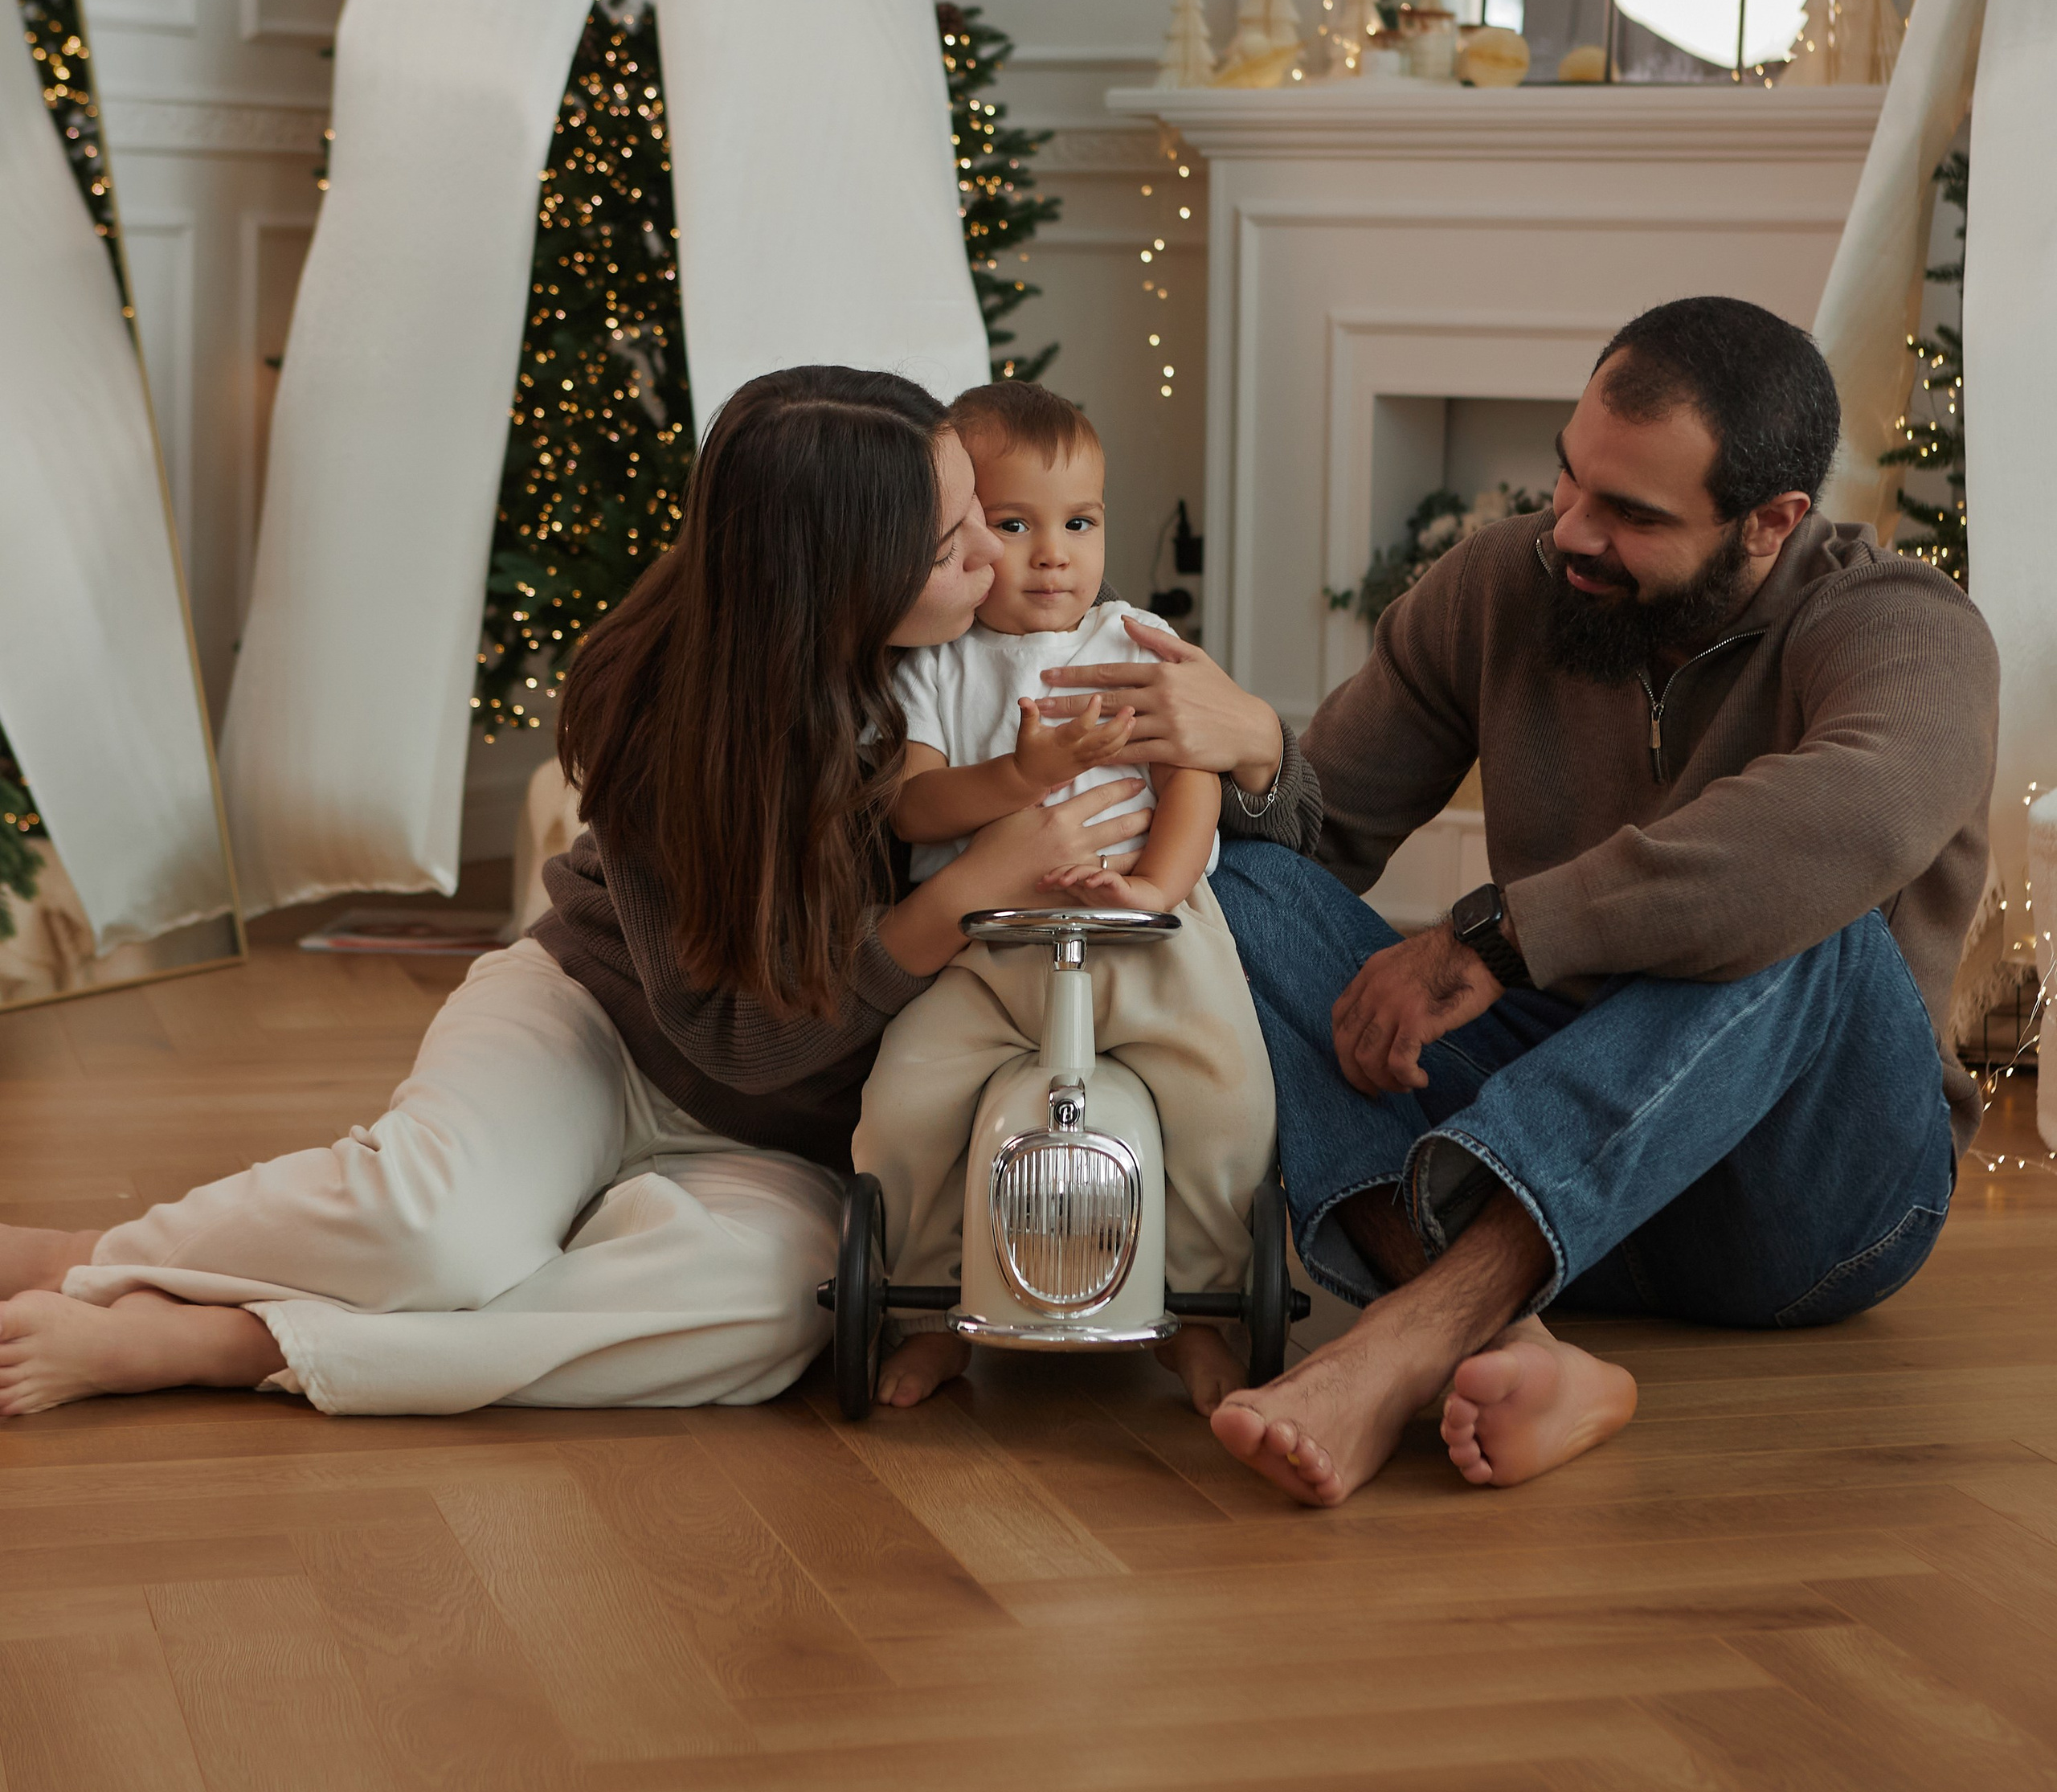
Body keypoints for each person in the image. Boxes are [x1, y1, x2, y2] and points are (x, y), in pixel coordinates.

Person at [0, 366, 1158, 1419]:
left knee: (772, 1313)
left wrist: (1254, 744)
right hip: (594, 1021)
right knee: (433, 1224)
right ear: (841, 580)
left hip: (784, 1139)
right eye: (954, 540)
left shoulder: (993, 655)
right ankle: (91, 1259)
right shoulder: (670, 716)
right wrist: (963, 896)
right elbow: (738, 1035)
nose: (999, 559)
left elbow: (1187, 763)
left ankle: (230, 1338)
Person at [1032, 299, 1998, 1509]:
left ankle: (1415, 1335)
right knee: (1245, 882)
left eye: (1633, 515)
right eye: (1568, 478)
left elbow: (1847, 823)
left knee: (1810, 907)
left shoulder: (1905, 629)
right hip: (1552, 1158)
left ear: (1772, 523)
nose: (1571, 532)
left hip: (1800, 1208)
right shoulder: (1507, 581)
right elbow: (1322, 843)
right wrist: (1259, 757)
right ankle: (1525, 1351)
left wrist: (1504, 933)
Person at [853, 380, 1276, 1415]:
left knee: (1227, 1098)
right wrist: (1021, 778)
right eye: (1014, 525)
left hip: (1146, 938)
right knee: (901, 1106)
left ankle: (1204, 1311)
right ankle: (924, 1310)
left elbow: (1194, 777)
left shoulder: (1135, 643)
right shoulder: (938, 668)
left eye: (1079, 523)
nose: (1053, 555)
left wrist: (1152, 890)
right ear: (962, 536)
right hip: (989, 952)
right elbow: (911, 807)